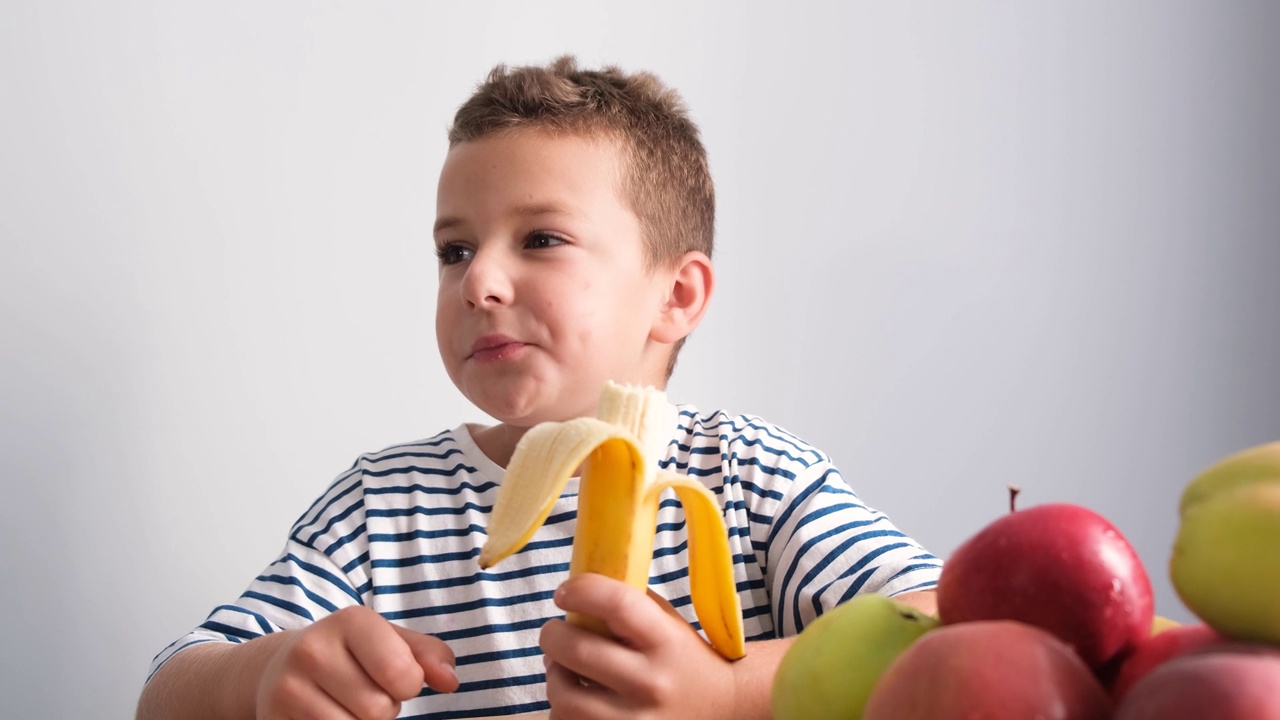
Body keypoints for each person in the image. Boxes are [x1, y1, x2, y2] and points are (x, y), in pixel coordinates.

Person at [136, 55, 942, 720]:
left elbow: (948, 625)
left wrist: (727, 692)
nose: (479, 279)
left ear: (677, 296)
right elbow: (166, 692)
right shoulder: (383, 508)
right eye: (454, 250)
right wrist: (264, 674)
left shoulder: (748, 478)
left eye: (542, 239)